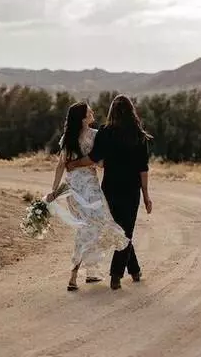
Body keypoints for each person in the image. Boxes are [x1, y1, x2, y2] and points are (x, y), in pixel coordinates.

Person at [65, 95, 153, 290]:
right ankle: (116, 275)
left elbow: (93, 157)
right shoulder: (139, 136)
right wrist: (146, 195)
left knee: (119, 229)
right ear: (131, 111)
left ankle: (134, 270)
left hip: (110, 188)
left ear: (112, 111)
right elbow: (143, 169)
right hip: (131, 190)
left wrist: (74, 163)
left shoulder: (105, 132)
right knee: (125, 230)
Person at [45, 102, 129, 292]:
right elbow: (100, 163)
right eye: (89, 111)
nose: (92, 112)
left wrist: (54, 190)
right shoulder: (95, 135)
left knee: (87, 227)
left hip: (73, 189)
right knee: (95, 225)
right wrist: (92, 163)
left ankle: (90, 272)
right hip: (89, 189)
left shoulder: (67, 137)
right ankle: (73, 274)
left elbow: (61, 165)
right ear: (83, 118)